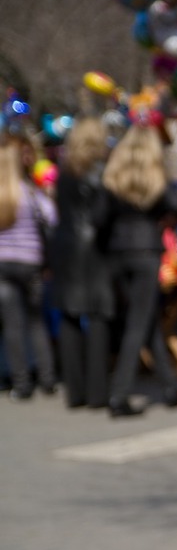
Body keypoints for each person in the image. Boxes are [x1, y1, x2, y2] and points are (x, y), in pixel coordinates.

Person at [102, 122, 177, 417]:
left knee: (145, 317)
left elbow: (101, 217)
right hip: (146, 251)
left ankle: (170, 387)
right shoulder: (157, 179)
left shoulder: (113, 178)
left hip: (118, 252)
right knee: (138, 322)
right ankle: (119, 395)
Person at [50, 117, 115, 409]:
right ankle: (98, 392)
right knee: (99, 314)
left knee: (69, 315)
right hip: (92, 249)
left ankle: (74, 392)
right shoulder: (99, 172)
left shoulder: (63, 173)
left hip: (65, 245)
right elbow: (100, 216)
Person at [0, 133, 58, 401]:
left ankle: (21, 384)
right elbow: (52, 218)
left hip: (3, 266)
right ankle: (47, 379)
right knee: (36, 322)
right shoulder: (32, 194)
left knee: (12, 325)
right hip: (31, 264)